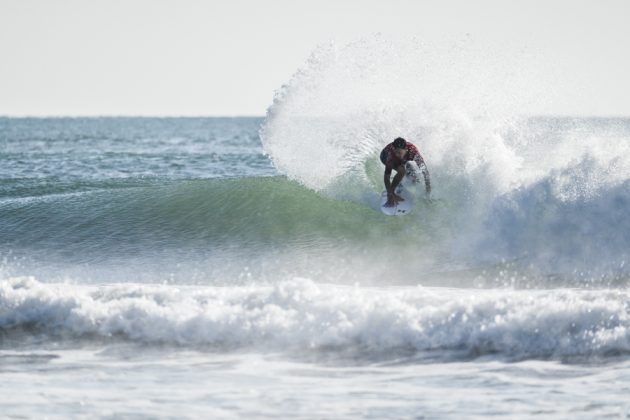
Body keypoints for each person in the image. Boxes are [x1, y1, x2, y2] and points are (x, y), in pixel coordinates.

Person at [380, 137, 431, 207]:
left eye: (400, 152)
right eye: (396, 152)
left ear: (406, 150)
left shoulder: (413, 152)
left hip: (403, 160)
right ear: (394, 150)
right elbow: (386, 177)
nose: (397, 154)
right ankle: (392, 193)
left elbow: (425, 171)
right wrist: (390, 194)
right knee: (402, 171)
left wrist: (428, 187)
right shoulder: (391, 156)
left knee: (415, 178)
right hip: (384, 157)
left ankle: (400, 186)